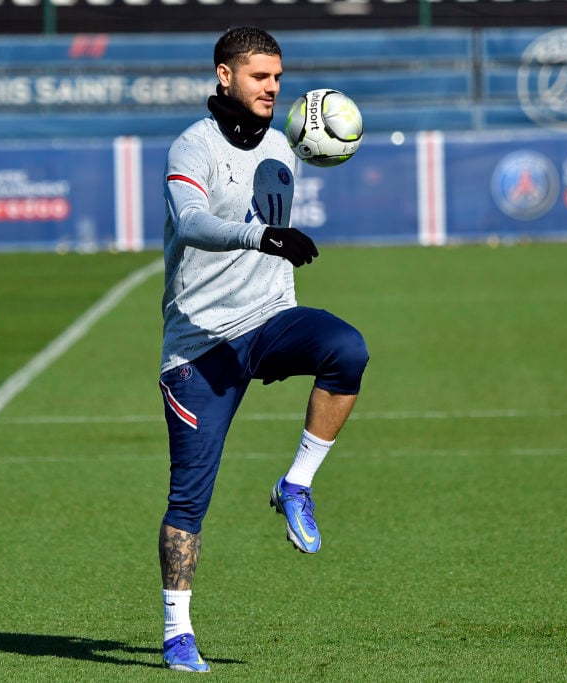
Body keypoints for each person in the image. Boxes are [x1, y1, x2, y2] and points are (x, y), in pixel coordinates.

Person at [156, 25, 369, 673]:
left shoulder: (283, 141)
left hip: (270, 319)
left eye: (277, 77)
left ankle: (296, 483)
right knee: (189, 498)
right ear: (225, 76)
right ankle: (176, 631)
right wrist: (261, 239)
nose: (273, 87)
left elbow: (304, 148)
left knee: (347, 349)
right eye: (259, 76)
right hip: (199, 348)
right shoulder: (191, 146)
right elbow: (191, 222)